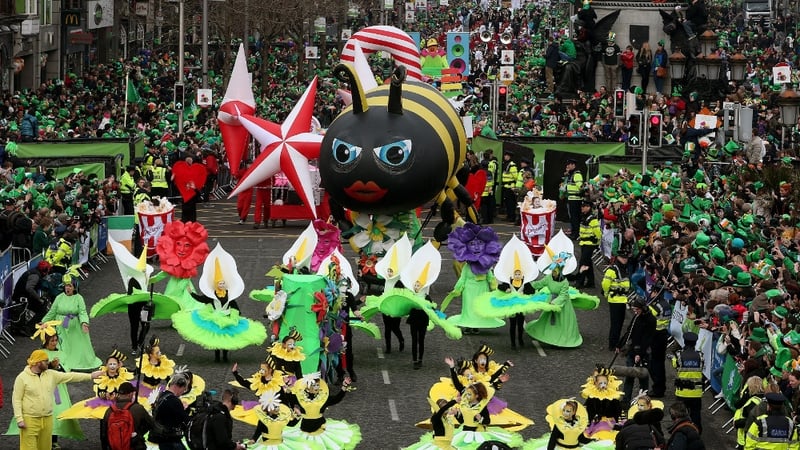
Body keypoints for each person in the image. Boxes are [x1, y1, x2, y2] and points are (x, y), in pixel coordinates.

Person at [12, 349, 102, 450]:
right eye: (45, 361)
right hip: (30, 420)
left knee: (46, 448)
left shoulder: (51, 375)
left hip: (47, 419)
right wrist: (19, 419)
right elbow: (16, 399)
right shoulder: (22, 378)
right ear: (38, 362)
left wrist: (91, 376)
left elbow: (70, 376)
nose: (48, 363)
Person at [40, 274, 102, 371]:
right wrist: (43, 321)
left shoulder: (79, 298)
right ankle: (62, 363)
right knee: (62, 345)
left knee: (76, 346)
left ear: (74, 287)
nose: (67, 288)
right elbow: (52, 312)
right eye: (66, 285)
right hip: (61, 328)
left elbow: (82, 312)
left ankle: (77, 362)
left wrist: (84, 323)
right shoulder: (59, 298)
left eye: (70, 286)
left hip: (75, 328)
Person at [618, 296, 656, 405]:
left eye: (637, 309)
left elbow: (647, 339)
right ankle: (626, 401)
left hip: (643, 352)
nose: (635, 312)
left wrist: (639, 353)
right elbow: (629, 331)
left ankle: (644, 401)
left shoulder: (651, 320)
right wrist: (619, 344)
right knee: (629, 376)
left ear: (643, 308)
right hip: (633, 350)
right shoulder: (636, 317)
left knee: (643, 378)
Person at [99, 381, 154, 450]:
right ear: (130, 394)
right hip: (135, 446)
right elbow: (151, 424)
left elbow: (103, 435)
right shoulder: (138, 408)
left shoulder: (109, 411)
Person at [9, 260, 52, 335]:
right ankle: (28, 328)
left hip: (23, 297)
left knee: (41, 308)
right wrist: (39, 299)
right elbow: (29, 288)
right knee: (42, 309)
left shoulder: (34, 272)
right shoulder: (35, 275)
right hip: (23, 299)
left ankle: (28, 327)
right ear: (45, 271)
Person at [151, 372, 192, 450]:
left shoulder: (161, 396)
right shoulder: (174, 401)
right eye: (184, 389)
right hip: (171, 438)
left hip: (161, 437)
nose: (183, 392)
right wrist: (186, 410)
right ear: (180, 386)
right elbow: (185, 420)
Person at [672, 331, 704, 432]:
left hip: (682, 393)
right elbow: (702, 367)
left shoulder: (679, 355)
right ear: (695, 343)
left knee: (680, 415)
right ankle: (696, 433)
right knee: (696, 416)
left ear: (684, 342)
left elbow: (675, 365)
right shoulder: (700, 356)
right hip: (696, 393)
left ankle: (680, 432)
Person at [603, 253, 631, 351]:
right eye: (622, 257)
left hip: (623, 299)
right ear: (617, 257)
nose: (625, 260)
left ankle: (617, 343)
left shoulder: (624, 268)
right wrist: (607, 293)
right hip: (615, 300)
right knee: (615, 323)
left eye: (626, 258)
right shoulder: (612, 270)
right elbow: (605, 284)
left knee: (620, 323)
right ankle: (613, 344)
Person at [576, 200, 600, 289]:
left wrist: (596, 243)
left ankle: (580, 282)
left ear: (588, 207)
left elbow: (598, 232)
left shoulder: (592, 219)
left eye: (584, 206)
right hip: (584, 243)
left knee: (583, 263)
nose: (582, 208)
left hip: (589, 244)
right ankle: (591, 282)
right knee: (588, 263)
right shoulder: (584, 217)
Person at [562, 159, 584, 237]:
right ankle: (574, 232)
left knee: (575, 217)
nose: (567, 166)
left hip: (575, 199)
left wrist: (583, 188)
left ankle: (575, 234)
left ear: (573, 165)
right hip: (571, 198)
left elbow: (580, 186)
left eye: (569, 165)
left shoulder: (576, 174)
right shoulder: (571, 174)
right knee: (573, 217)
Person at [500, 151, 518, 222]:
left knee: (511, 203)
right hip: (506, 186)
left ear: (509, 157)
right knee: (507, 202)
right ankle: (509, 215)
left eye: (506, 156)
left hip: (510, 187)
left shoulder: (512, 165)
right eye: (505, 156)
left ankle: (512, 216)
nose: (505, 157)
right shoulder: (506, 164)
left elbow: (515, 176)